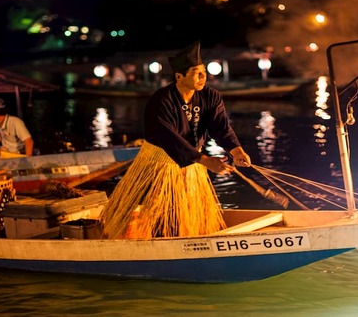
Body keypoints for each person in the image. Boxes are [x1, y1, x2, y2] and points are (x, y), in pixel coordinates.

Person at [100, 40, 252, 239]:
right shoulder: (161, 100)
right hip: (159, 163)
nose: (203, 77)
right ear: (179, 76)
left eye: (204, 72)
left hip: (192, 165)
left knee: (188, 211)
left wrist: (236, 150)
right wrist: (203, 160)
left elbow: (220, 127)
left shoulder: (210, 96)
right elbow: (167, 136)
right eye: (196, 73)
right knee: (157, 210)